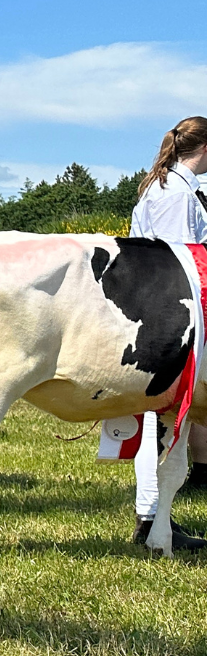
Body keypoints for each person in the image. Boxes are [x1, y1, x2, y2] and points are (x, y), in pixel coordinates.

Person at [124, 116, 207, 549]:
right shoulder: (177, 194)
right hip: (173, 313)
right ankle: (153, 518)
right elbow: (182, 263)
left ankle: (153, 518)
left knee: (158, 419)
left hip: (155, 309)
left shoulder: (164, 187)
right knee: (161, 419)